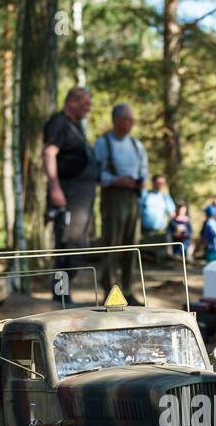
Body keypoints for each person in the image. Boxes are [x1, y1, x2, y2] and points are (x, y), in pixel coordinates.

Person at [42, 87, 98, 300]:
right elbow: (48, 153)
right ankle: (60, 294)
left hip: (83, 196)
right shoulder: (58, 123)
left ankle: (64, 292)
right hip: (69, 193)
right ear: (72, 102)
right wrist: (55, 188)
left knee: (79, 245)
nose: (88, 109)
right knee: (67, 244)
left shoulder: (76, 126)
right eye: (85, 104)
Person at [93, 103, 148, 301]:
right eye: (126, 119)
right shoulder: (103, 143)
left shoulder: (136, 145)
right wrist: (116, 180)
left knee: (131, 244)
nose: (130, 123)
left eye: (132, 120)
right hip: (112, 196)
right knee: (112, 244)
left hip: (132, 197)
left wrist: (140, 182)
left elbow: (143, 170)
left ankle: (127, 290)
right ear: (116, 120)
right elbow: (97, 173)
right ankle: (109, 291)